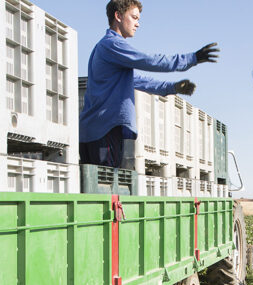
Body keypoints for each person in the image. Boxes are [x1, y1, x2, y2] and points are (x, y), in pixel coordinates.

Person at [79, 0, 219, 167]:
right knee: (106, 181)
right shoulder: (112, 44)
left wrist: (173, 87)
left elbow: (141, 81)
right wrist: (191, 58)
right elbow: (149, 60)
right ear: (118, 16)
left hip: (92, 131)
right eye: (134, 17)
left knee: (94, 182)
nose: (137, 24)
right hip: (105, 130)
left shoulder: (104, 48)